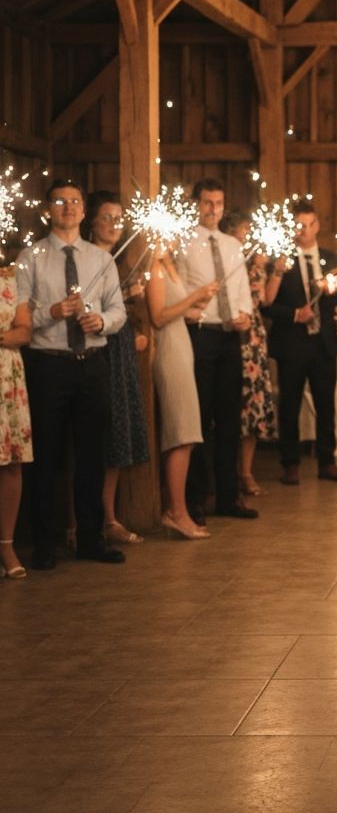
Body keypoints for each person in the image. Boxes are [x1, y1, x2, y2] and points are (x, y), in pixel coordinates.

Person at [16, 178, 127, 568]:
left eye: (75, 201)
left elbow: (119, 310)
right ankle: (45, 543)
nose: (68, 207)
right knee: (46, 455)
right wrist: (52, 313)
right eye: (60, 201)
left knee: (92, 455)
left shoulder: (102, 260)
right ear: (49, 209)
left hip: (91, 365)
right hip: (48, 365)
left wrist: (102, 321)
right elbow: (21, 312)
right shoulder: (31, 257)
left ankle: (90, 538)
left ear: (83, 211)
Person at [176, 177, 257, 523]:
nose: (213, 210)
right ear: (196, 203)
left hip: (229, 336)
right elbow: (176, 288)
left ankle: (228, 496)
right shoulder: (182, 243)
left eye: (218, 203)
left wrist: (245, 316)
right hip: (198, 334)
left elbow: (241, 288)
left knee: (228, 420)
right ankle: (196, 499)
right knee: (200, 419)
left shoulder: (232, 245)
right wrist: (190, 309)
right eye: (207, 203)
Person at [262, 199, 337, 485]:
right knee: (290, 405)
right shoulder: (280, 262)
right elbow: (266, 305)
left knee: (326, 403)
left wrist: (334, 290)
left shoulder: (330, 259)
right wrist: (293, 315)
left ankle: (328, 460)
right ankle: (290, 463)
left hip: (323, 343)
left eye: (310, 224)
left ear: (318, 225)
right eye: (300, 225)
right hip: (292, 344)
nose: (305, 231)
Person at [84, 191, 150, 544]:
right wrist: (123, 299)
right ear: (92, 222)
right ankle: (91, 519)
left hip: (121, 349)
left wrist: (137, 327)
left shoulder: (121, 263)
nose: (112, 224)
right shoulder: (84, 261)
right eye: (106, 217)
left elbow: (127, 314)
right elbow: (86, 303)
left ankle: (110, 517)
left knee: (118, 436)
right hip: (96, 352)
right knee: (97, 436)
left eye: (118, 219)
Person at [147, 244, 218, 540]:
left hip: (182, 346)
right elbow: (159, 317)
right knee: (181, 432)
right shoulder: (153, 267)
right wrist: (195, 295)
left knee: (189, 432)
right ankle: (176, 512)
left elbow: (175, 312)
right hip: (169, 352)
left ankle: (179, 509)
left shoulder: (168, 264)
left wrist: (194, 309)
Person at [221, 210, 275, 497]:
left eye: (246, 231)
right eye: (240, 231)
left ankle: (246, 472)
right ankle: (227, 474)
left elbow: (265, 299)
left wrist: (274, 270)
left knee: (253, 404)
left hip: (253, 336)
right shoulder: (226, 263)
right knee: (231, 405)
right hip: (231, 333)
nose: (244, 236)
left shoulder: (255, 262)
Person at [0, 248, 32, 580]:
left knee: (10, 462)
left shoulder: (11, 278)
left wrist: (5, 336)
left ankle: (7, 543)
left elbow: (25, 330)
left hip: (7, 376)